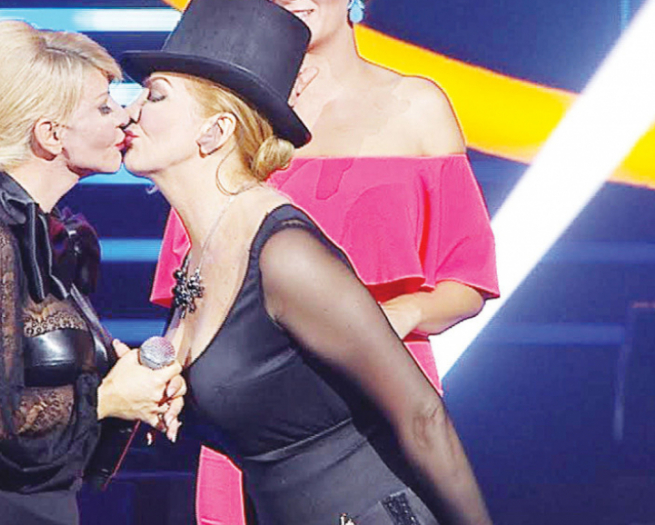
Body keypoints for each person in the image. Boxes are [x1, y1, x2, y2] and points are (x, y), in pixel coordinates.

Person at [119, 0, 493, 522]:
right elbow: (200, 299)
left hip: (374, 400)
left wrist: (391, 315)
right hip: (248, 400)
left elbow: (466, 275)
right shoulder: (222, 120)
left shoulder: (416, 106)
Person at [0, 20, 185, 525]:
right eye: (104, 107)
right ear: (51, 134)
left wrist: (132, 387)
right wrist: (107, 398)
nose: (125, 117)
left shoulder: (41, 232)